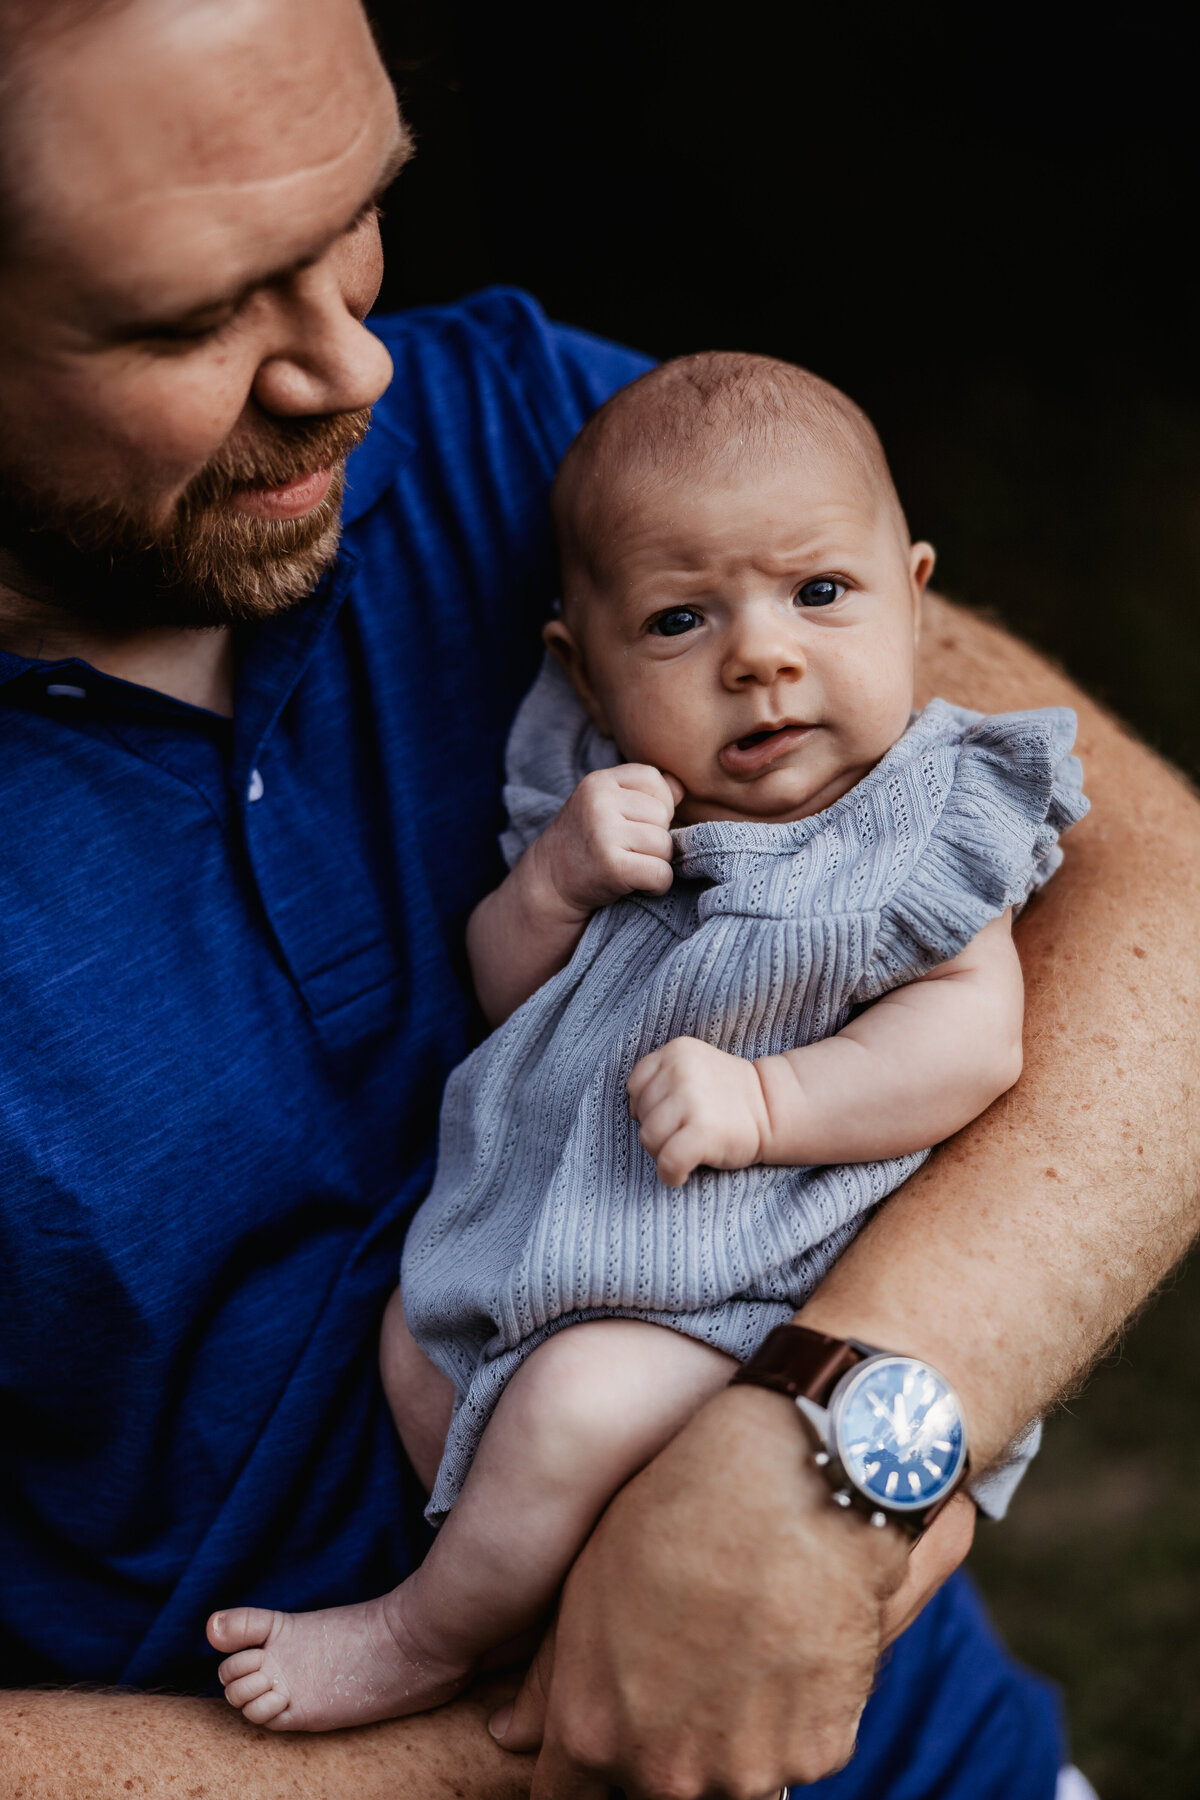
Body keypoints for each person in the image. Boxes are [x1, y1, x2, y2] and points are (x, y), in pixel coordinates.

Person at [1, 2, 1197, 1797]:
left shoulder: (559, 444)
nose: (352, 370)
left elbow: (1157, 905)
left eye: (351, 232)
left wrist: (824, 1473)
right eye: (191, 313)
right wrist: (585, 1714)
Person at [208, 350, 1086, 1732]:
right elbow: (507, 989)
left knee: (565, 1406)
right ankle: (564, 1606)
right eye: (679, 622)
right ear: (587, 665)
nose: (762, 655)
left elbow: (971, 1043)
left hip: (755, 1288)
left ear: (915, 597)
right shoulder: (601, 792)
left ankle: (424, 1638)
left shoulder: (924, 819)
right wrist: (552, 882)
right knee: (416, 1354)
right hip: (559, 1244)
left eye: (821, 594)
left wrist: (770, 1100)